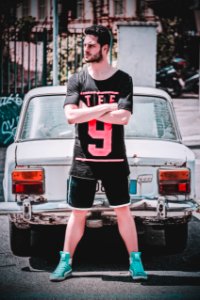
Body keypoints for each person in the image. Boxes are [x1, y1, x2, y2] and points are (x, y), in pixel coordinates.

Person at [50, 24, 147, 282]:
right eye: (85, 44)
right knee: (77, 213)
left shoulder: (123, 79)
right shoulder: (77, 79)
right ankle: (65, 261)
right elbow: (70, 116)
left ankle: (135, 262)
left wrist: (88, 110)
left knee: (123, 210)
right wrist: (107, 105)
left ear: (105, 48)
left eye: (91, 45)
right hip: (83, 160)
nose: (86, 48)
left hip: (114, 160)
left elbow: (124, 117)